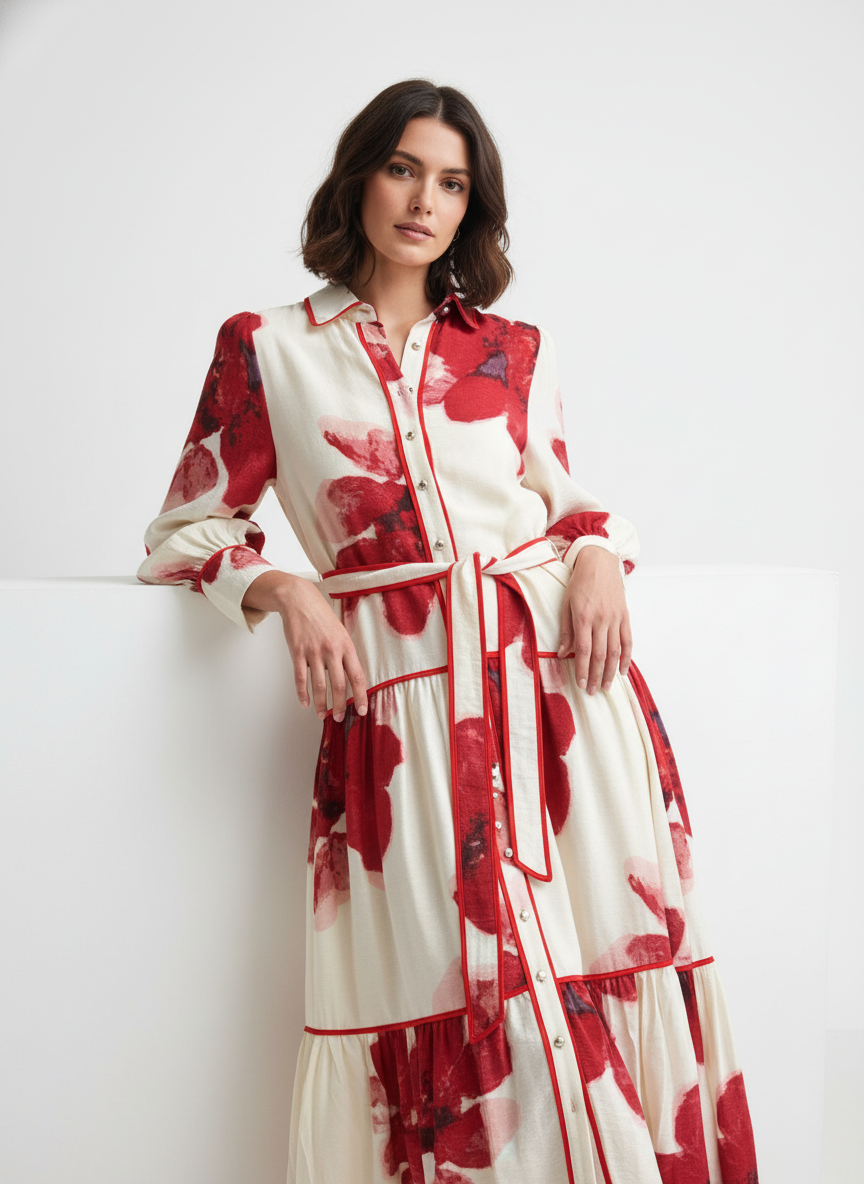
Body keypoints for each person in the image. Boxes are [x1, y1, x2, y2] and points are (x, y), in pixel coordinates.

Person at [138, 79, 758, 1184]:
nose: (426, 200)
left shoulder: (514, 350)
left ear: (474, 208)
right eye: (404, 169)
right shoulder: (267, 347)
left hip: (561, 703)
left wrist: (602, 555)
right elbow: (188, 528)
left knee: (595, 997)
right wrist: (289, 590)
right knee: (456, 1011)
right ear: (360, 176)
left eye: (454, 183)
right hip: (404, 723)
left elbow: (566, 508)